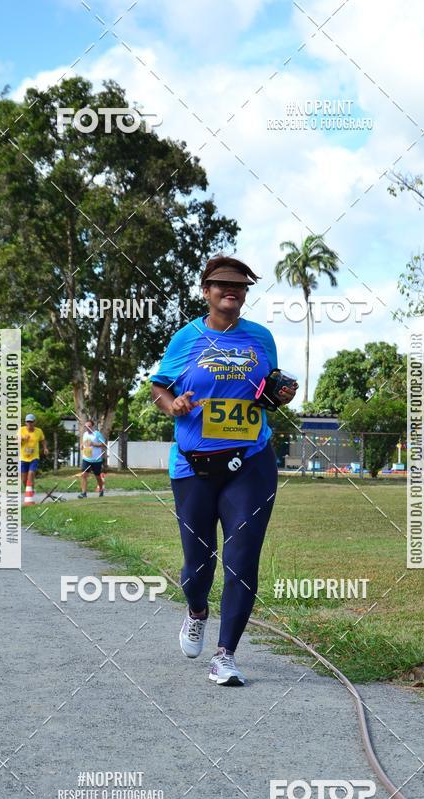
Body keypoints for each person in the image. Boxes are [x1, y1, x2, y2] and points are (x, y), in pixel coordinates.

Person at [150, 256, 297, 686]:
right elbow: (159, 387)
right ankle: (197, 611)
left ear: (246, 294)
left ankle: (225, 655)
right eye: (221, 284)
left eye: (240, 286)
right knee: (198, 566)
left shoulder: (261, 338)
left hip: (250, 462)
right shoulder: (186, 338)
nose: (231, 291)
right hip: (193, 467)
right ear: (206, 291)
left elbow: (266, 392)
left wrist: (280, 395)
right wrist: (173, 404)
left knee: (242, 557)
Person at [19, 414, 48, 492]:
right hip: (23, 458)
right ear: (25, 422)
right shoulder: (21, 430)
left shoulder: (39, 431)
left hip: (34, 457)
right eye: (28, 422)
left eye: (31, 422)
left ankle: (31, 489)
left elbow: (43, 440)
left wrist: (45, 448)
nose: (29, 423)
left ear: (34, 422)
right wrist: (23, 438)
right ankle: (28, 489)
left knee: (31, 474)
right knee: (24, 479)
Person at [78, 418, 106, 498]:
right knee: (84, 475)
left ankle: (101, 489)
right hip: (86, 459)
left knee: (97, 476)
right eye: (86, 427)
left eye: (89, 426)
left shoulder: (97, 434)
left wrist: (93, 444)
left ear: (93, 426)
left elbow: (103, 444)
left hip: (96, 460)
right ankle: (84, 493)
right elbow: (84, 442)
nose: (87, 428)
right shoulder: (85, 434)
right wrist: (81, 445)